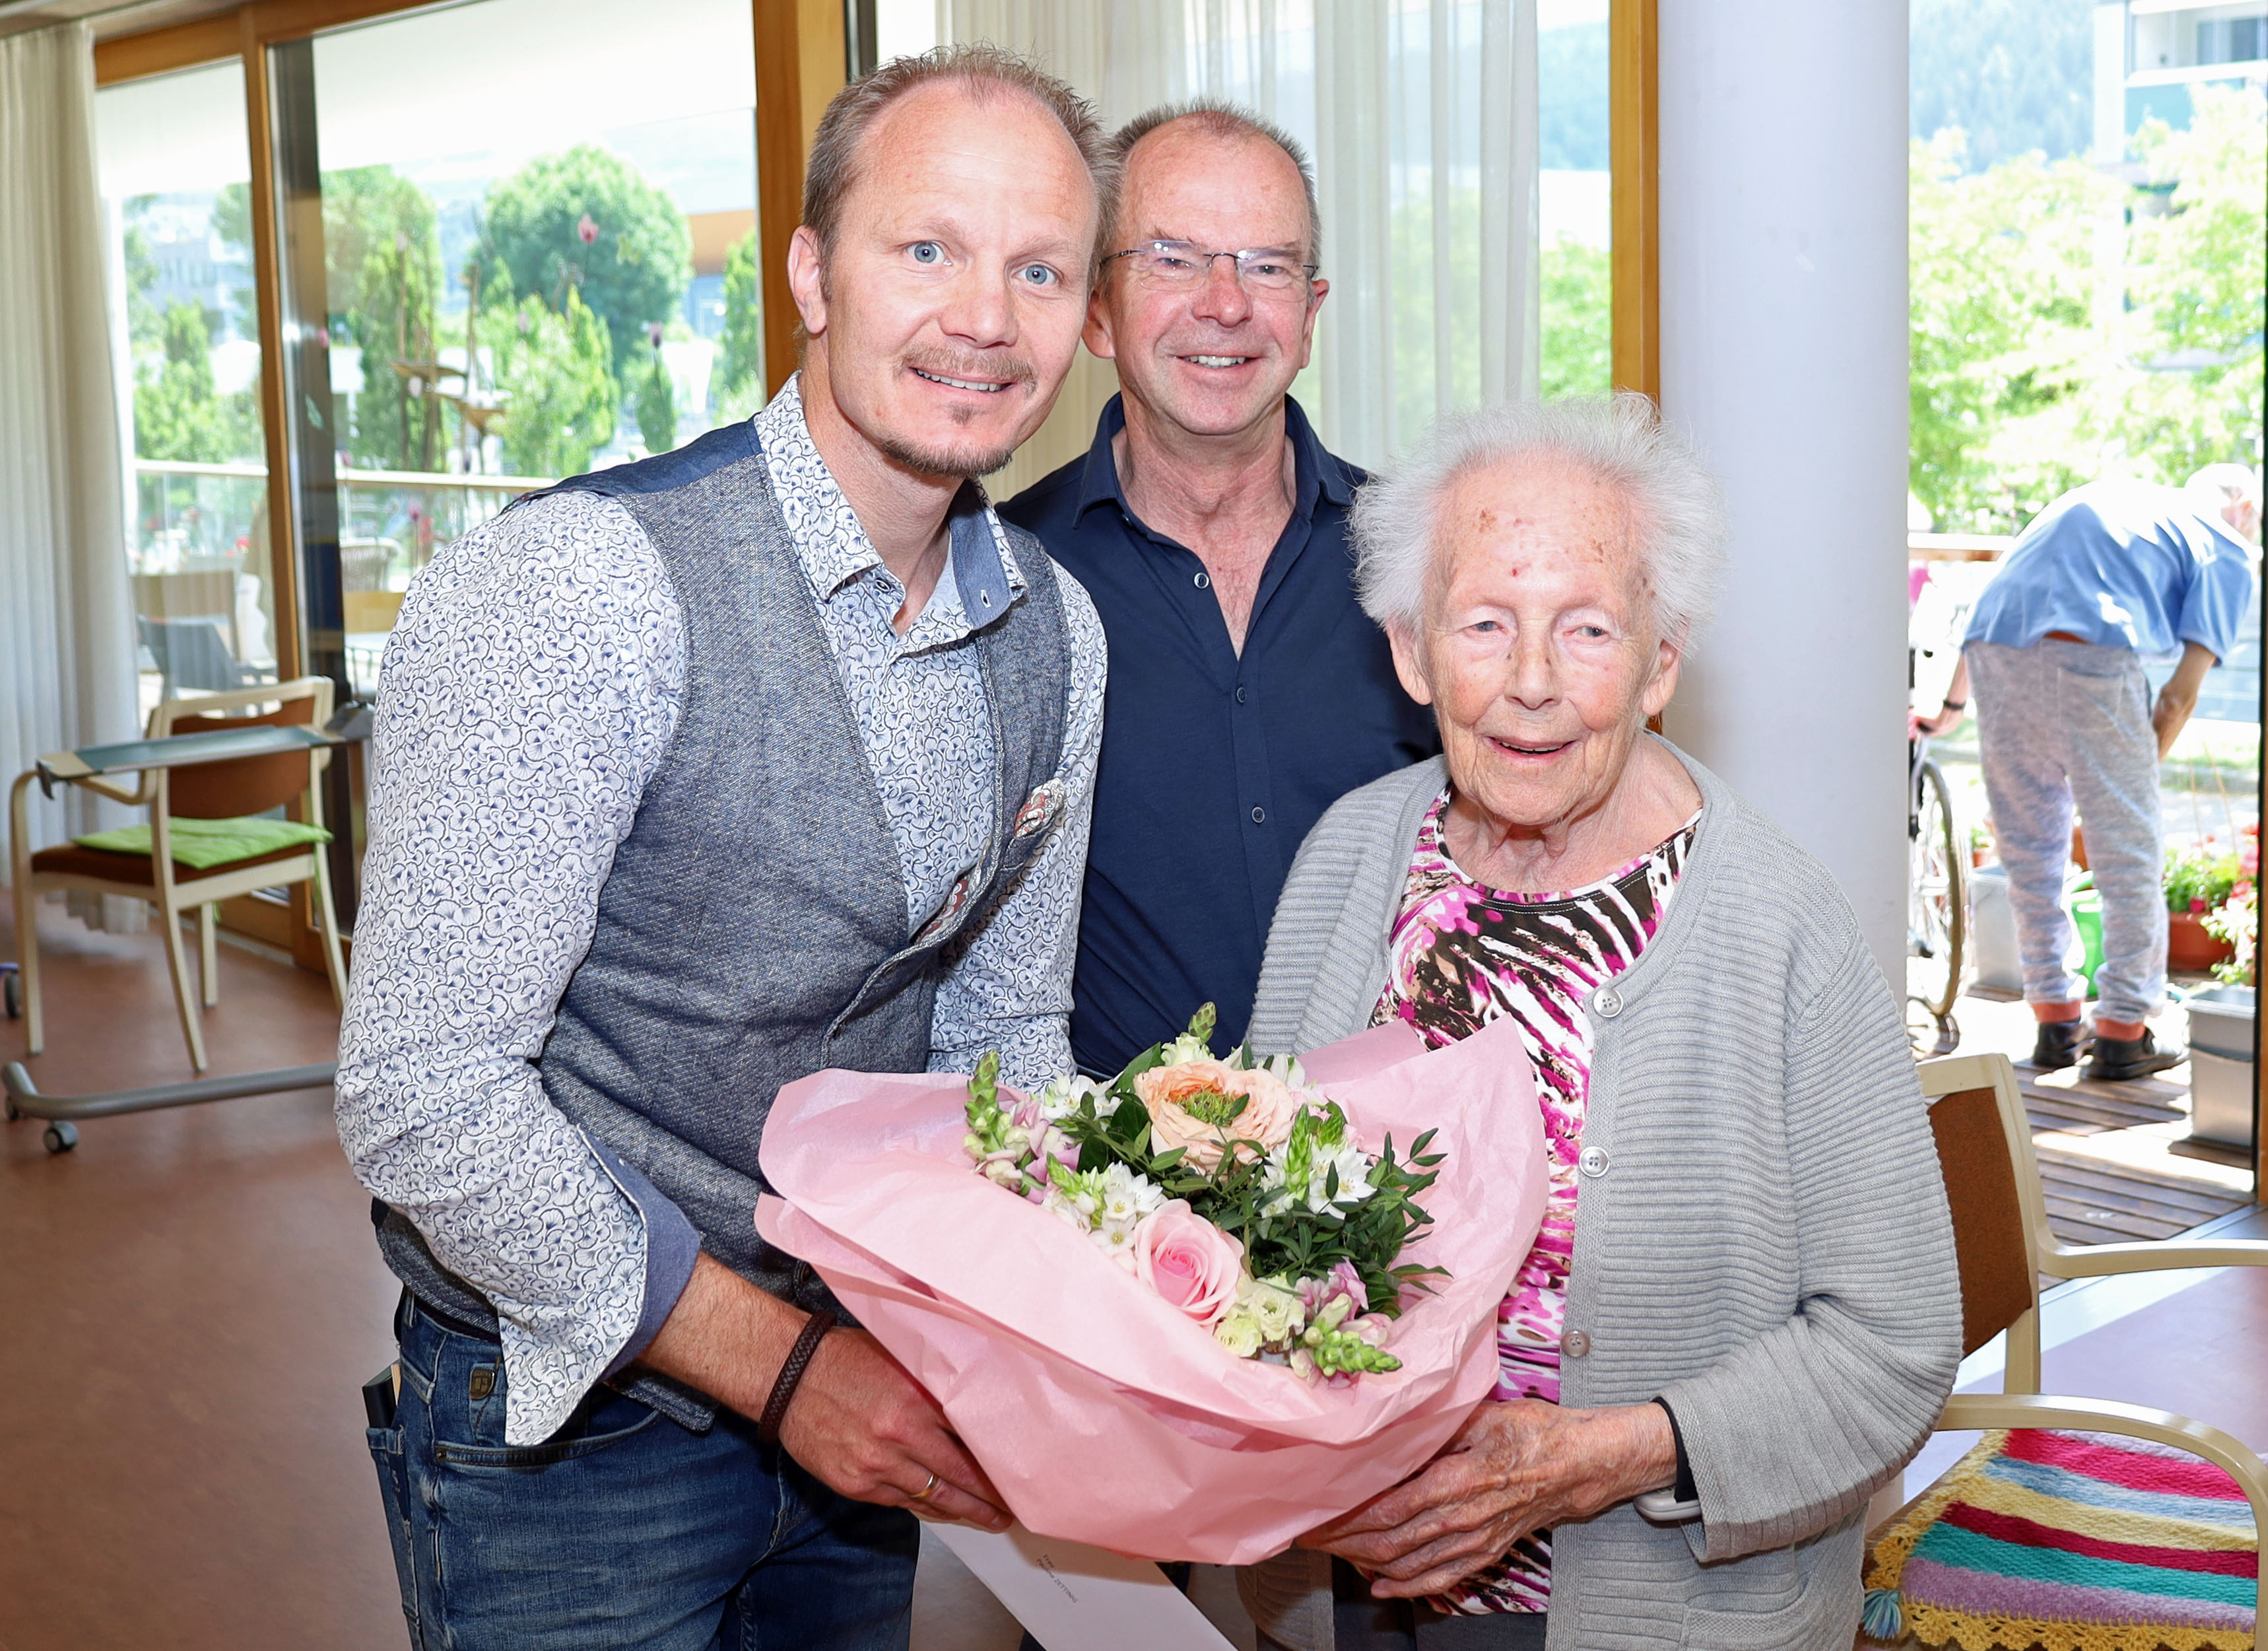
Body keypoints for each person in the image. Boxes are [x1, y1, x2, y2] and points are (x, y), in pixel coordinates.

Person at [335, 48, 1110, 1649]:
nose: (985, 317)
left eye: (1039, 269)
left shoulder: (1059, 632)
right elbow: (424, 1092)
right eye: (928, 248)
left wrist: (1124, 1293)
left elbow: (1002, 1031)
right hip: (576, 1428)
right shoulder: (583, 588)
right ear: (812, 273)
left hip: (864, 1390)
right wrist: (788, 1367)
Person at [1238, 396, 1960, 1650]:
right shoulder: (1347, 858)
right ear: (1411, 652)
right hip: (1348, 1592)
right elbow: (1237, 1212)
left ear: (1659, 662)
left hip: (1658, 1612)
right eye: (1483, 624)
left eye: (1586, 628)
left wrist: (1600, 1458)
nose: (1530, 682)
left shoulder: (1779, 924)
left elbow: (1890, 1347)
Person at [1000, 102, 1438, 1076]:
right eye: (1172, 258)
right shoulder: (1005, 580)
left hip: (1406, 1148)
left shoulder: (1422, 561)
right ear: (1098, 311)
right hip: (1107, 1162)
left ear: (1310, 317)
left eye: (1267, 266)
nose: (1226, 304)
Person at [1917, 467, 2261, 1081]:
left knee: (2030, 850)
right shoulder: (2225, 544)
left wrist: (1951, 705)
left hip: (1994, 650)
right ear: (2246, 506)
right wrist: (2128, 780)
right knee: (2128, 854)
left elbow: (1994, 602)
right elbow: (2178, 698)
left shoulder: (2120, 498)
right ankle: (2124, 1033)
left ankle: (2055, 1023)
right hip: (2090, 650)